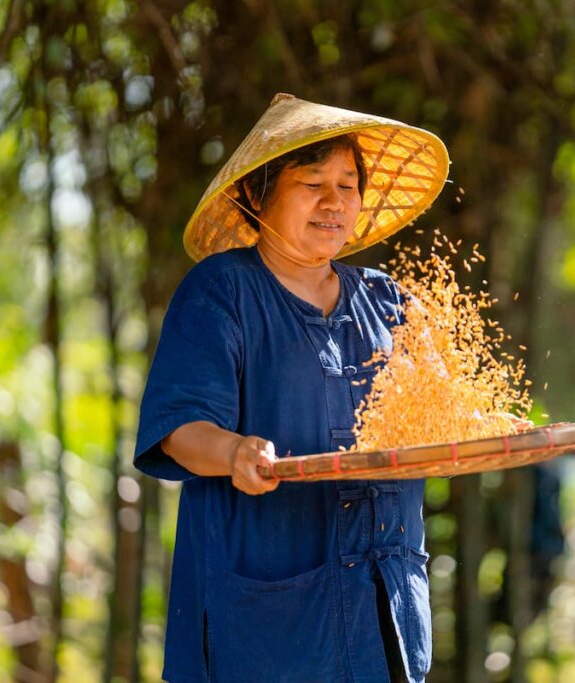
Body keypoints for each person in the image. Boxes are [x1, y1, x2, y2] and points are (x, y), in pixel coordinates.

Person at [133, 93, 449, 683]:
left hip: (382, 616)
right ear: (258, 195)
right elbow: (177, 429)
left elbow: (440, 415)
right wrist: (233, 452)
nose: (335, 202)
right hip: (267, 628)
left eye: (348, 185)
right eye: (313, 183)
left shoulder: (387, 300)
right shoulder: (222, 292)